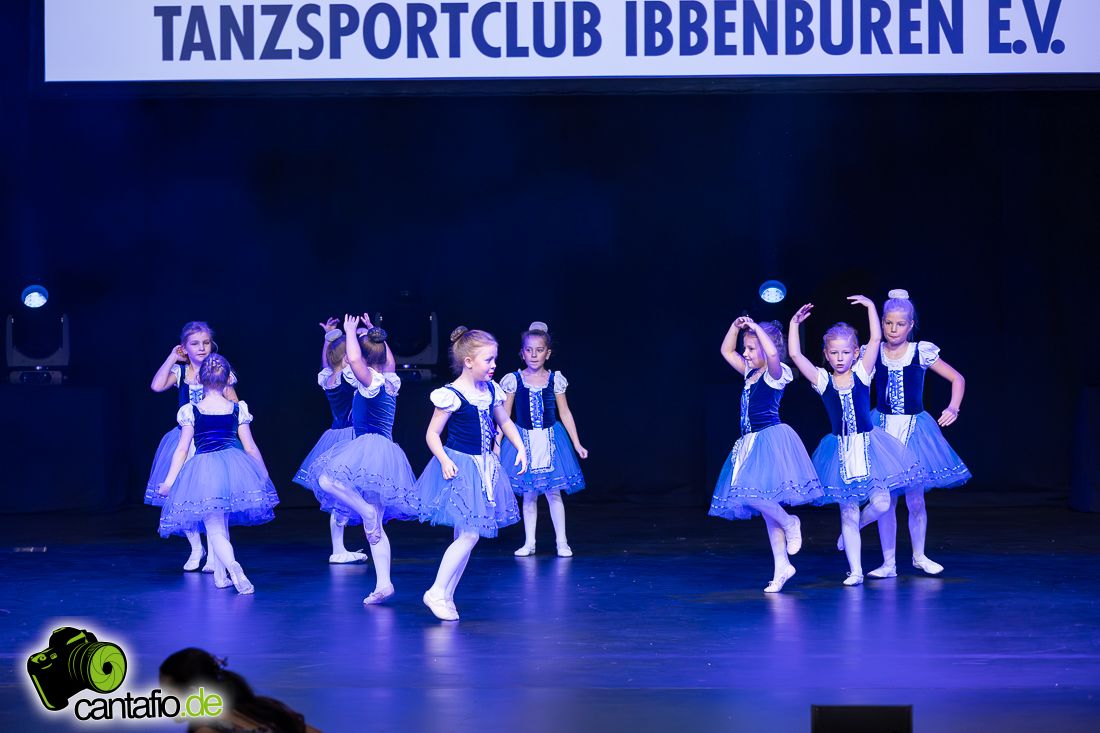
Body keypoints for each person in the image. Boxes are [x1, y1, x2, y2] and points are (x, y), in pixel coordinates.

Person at [787, 297, 922, 586]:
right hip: (840, 451)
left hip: (870, 448)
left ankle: (861, 524)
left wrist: (871, 308)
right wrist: (794, 324)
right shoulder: (823, 381)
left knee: (882, 503)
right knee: (847, 511)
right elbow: (796, 356)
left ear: (855, 353)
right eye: (834, 353)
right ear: (826, 354)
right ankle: (856, 571)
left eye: (846, 352)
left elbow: (875, 339)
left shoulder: (862, 373)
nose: (840, 358)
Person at [306, 314, 419, 605]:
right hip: (384, 454)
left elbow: (355, 361)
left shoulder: (370, 381)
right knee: (376, 525)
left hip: (370, 447)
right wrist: (373, 332)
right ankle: (384, 583)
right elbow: (389, 362)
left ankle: (364, 511)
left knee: (326, 479)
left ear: (366, 361)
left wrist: (349, 332)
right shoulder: (390, 379)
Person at [416, 327, 527, 620]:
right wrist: (443, 460)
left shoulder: (490, 391)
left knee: (464, 535)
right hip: (460, 466)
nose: (493, 365)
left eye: (494, 359)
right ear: (468, 361)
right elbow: (432, 434)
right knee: (470, 533)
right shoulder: (452, 394)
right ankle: (436, 591)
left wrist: (520, 447)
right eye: (488, 360)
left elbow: (504, 421)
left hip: (485, 466)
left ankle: (447, 595)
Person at [709, 317, 824, 593]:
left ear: (765, 346)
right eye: (746, 348)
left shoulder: (775, 373)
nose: (746, 353)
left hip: (770, 440)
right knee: (766, 508)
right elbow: (726, 351)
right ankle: (781, 566)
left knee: (751, 495)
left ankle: (790, 521)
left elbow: (772, 354)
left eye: (751, 349)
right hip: (749, 443)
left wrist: (758, 331)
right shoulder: (749, 372)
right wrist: (735, 327)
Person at [863, 288, 971, 577]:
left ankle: (919, 556)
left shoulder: (920, 351)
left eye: (900, 324)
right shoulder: (873, 352)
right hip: (882, 429)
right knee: (886, 502)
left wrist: (953, 407)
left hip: (914, 430)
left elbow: (957, 378)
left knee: (915, 499)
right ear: (881, 323)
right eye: (888, 323)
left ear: (910, 325)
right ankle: (888, 563)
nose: (893, 329)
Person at [158, 355, 278, 594]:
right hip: (231, 469)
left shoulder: (191, 411)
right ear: (228, 380)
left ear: (199, 380)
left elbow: (182, 449)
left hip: (203, 471)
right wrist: (262, 473)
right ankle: (220, 577)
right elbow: (250, 447)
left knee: (214, 528)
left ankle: (233, 567)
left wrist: (170, 481)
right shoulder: (237, 409)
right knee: (221, 525)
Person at [147, 321, 237, 573]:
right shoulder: (181, 372)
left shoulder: (219, 370)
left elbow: (234, 405)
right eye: (195, 344)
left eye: (206, 342)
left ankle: (215, 556)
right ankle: (196, 547)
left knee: (213, 499)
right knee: (184, 495)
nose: (201, 348)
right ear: (184, 348)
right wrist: (172, 357)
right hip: (184, 442)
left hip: (212, 443)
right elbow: (156, 385)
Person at [499, 321, 588, 558]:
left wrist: (576, 443)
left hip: (551, 440)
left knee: (554, 493)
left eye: (539, 350)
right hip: (523, 442)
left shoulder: (555, 379)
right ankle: (530, 543)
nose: (534, 355)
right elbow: (504, 415)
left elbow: (565, 413)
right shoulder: (514, 380)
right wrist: (497, 443)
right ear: (522, 353)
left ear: (547, 353)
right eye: (529, 350)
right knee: (529, 495)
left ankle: (562, 542)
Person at [292, 317, 366, 564]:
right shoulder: (349, 376)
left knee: (341, 494)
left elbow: (328, 362)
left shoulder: (328, 378)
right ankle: (362, 539)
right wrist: (358, 335)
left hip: (334, 435)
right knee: (354, 489)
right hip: (352, 436)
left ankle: (339, 547)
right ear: (346, 359)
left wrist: (328, 338)